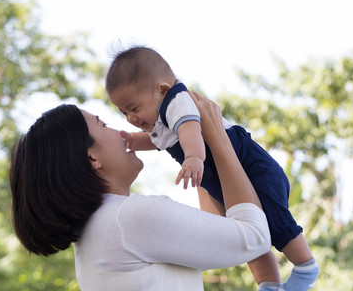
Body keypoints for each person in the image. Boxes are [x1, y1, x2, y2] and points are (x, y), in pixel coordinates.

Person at [105, 46, 320, 291]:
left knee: (276, 221)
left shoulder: (177, 102)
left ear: (162, 89)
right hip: (226, 179)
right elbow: (154, 141)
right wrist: (132, 140)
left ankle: (306, 267)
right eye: (123, 113)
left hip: (252, 169)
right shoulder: (159, 121)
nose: (131, 118)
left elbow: (190, 128)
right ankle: (269, 284)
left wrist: (194, 157)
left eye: (134, 109)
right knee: (246, 231)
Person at [9, 93, 271, 291]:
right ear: (92, 159)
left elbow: (216, 239)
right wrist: (218, 138)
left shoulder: (101, 230)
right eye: (103, 126)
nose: (121, 132)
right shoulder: (128, 218)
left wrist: (198, 157)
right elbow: (255, 237)